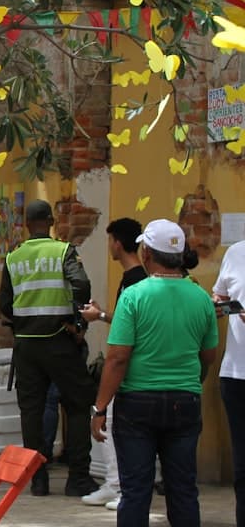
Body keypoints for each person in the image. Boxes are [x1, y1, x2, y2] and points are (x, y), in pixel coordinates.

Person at [90, 220, 216, 527]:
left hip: (138, 404)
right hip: (185, 402)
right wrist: (189, 383)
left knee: (136, 492)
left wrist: (99, 407)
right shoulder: (201, 298)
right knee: (183, 493)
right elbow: (207, 354)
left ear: (146, 254)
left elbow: (117, 357)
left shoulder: (135, 296)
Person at [0, 199, 96, 498]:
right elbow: (82, 284)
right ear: (52, 221)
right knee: (77, 404)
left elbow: (4, 304)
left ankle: (38, 480)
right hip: (59, 338)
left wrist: (24, 322)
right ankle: (77, 478)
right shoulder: (63, 251)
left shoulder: (13, 257)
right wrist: (76, 320)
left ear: (27, 224)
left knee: (31, 411)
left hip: (26, 345)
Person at [79, 217, 148, 511]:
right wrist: (101, 315)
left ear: (117, 243)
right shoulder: (132, 277)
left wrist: (99, 316)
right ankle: (114, 482)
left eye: (110, 240)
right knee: (108, 421)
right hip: (127, 362)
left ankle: (123, 486)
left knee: (110, 420)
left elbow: (130, 328)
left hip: (129, 366)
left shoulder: (136, 280)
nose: (109, 246)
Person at [212, 233, 245, 527]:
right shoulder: (236, 252)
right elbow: (220, 295)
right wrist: (220, 303)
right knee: (243, 472)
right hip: (236, 375)